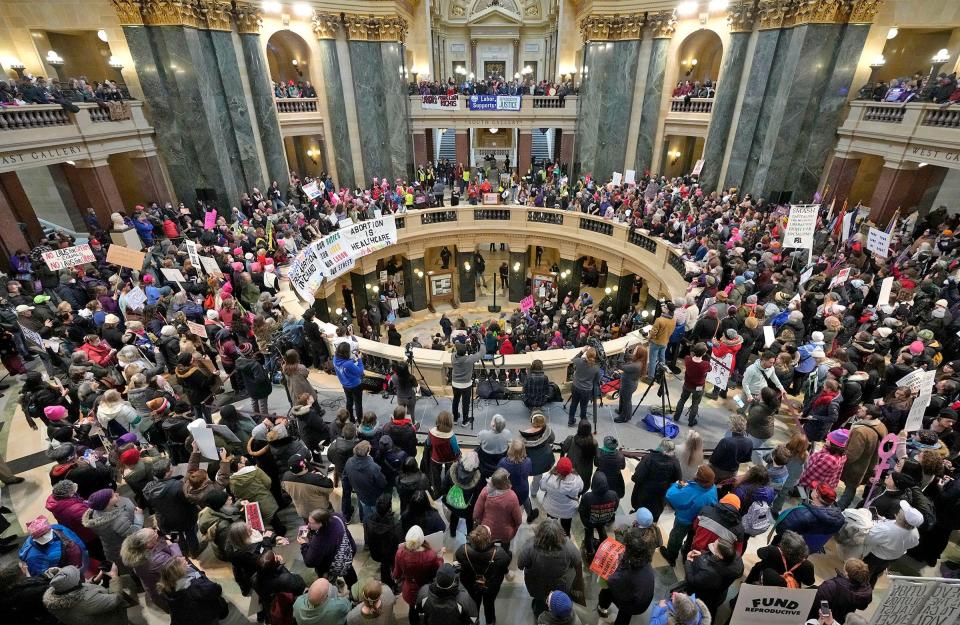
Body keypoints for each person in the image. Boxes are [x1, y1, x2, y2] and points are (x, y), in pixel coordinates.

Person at [517, 519, 582, 618]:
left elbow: (520, 565)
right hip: (560, 584)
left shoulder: (530, 546)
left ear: (539, 532)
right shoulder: (567, 546)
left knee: (539, 600)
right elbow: (578, 562)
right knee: (557, 601)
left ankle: (539, 613)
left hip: (536, 583)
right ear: (560, 533)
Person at [660, 465, 718, 568]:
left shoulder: (691, 491)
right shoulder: (712, 488)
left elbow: (671, 495)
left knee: (676, 538)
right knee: (692, 537)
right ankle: (686, 553)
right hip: (700, 521)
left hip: (684, 520)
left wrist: (676, 485)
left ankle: (671, 556)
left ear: (699, 478)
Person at [455, 525, 510, 625]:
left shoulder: (463, 550)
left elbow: (457, 559)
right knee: (489, 604)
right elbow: (506, 561)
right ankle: (490, 622)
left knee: (474, 604)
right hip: (491, 586)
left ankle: (474, 621)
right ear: (489, 538)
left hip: (471, 584)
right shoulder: (498, 553)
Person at [41, 565, 129, 625]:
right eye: (77, 576)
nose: (79, 576)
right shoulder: (87, 602)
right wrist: (114, 576)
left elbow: (80, 587)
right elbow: (115, 598)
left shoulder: (56, 597)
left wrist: (96, 579)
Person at [121, 527, 182, 611]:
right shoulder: (155, 560)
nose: (156, 533)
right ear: (148, 544)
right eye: (154, 534)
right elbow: (178, 564)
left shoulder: (135, 552)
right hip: (165, 593)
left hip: (152, 587)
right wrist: (173, 543)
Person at [862, 500, 923, 585]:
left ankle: (859, 590)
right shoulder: (914, 532)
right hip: (891, 557)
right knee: (875, 574)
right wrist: (883, 520)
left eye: (902, 511)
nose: (900, 510)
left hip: (876, 557)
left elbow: (867, 538)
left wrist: (870, 524)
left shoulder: (887, 531)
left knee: (864, 574)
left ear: (902, 519)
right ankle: (869, 587)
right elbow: (914, 543)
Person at [299, 508, 359, 593]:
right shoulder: (336, 517)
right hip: (347, 552)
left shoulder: (319, 540)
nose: (308, 525)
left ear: (321, 523)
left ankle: (333, 589)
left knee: (327, 579)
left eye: (312, 523)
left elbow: (310, 561)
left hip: (330, 564)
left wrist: (304, 545)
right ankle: (354, 590)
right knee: (348, 570)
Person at [81, 488, 143, 569]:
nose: (117, 494)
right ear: (106, 503)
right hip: (127, 550)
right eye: (113, 496)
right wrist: (139, 516)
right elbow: (134, 533)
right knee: (135, 568)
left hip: (112, 550)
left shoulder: (94, 514)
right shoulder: (117, 521)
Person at [392, 525, 442, 625]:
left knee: (412, 610)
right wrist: (440, 557)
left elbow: (396, 574)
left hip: (410, 591)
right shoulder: (431, 555)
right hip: (427, 589)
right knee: (427, 609)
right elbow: (439, 571)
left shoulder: (400, 553)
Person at [683, 538, 743, 619]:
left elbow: (692, 580)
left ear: (720, 556)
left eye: (714, 546)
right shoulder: (736, 558)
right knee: (711, 611)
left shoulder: (710, 572)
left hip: (703, 597)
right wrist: (702, 554)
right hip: (719, 594)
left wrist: (688, 561)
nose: (711, 544)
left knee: (700, 612)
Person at [158, 556, 225, 625]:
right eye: (182, 561)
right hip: (205, 618)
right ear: (179, 570)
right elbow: (217, 589)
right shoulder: (194, 587)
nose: (184, 557)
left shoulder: (168, 589)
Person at [630, 438, 682, 521]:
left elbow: (637, 477)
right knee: (655, 513)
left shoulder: (649, 458)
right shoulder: (674, 461)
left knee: (640, 513)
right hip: (660, 494)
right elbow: (677, 478)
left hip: (644, 493)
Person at [19, 515, 88, 577]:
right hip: (64, 577)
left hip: (76, 568)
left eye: (46, 535)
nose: (45, 539)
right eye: (41, 537)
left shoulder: (59, 528)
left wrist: (84, 555)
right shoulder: (33, 556)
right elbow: (42, 577)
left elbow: (77, 541)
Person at [809, 558, 873, 623]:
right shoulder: (864, 592)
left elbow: (820, 603)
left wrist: (826, 618)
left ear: (847, 573)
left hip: (823, 619)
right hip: (842, 619)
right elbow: (862, 606)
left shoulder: (831, 586)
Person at [473, 468, 523, 548]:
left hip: (487, 529)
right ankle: (505, 555)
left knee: (488, 545)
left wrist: (479, 522)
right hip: (505, 531)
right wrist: (515, 527)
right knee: (505, 545)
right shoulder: (512, 496)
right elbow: (518, 519)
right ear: (506, 482)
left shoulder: (485, 491)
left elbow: (476, 513)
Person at [343, 440, 387, 522]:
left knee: (365, 512)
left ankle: (365, 523)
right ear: (367, 453)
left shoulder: (349, 462)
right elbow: (382, 483)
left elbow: (345, 477)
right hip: (374, 497)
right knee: (375, 515)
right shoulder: (373, 467)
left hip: (360, 494)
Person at [442, 450, 482, 537]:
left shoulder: (452, 470)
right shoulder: (477, 478)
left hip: (453, 504)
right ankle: (469, 539)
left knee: (454, 517)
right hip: (467, 507)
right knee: (469, 522)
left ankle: (452, 533)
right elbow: (477, 496)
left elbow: (444, 486)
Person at [540, 457, 583, 535]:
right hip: (568, 510)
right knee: (566, 526)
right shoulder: (577, 479)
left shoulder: (549, 478)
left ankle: (552, 537)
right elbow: (581, 489)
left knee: (551, 525)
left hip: (551, 508)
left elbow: (542, 487)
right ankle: (565, 538)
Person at [673, 342, 712, 427]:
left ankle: (676, 417)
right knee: (695, 404)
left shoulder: (687, 359)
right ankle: (691, 421)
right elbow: (710, 369)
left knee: (682, 400)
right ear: (704, 353)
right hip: (698, 388)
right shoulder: (705, 364)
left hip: (687, 384)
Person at [426, 411, 461, 498]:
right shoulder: (451, 436)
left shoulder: (431, 433)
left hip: (436, 458)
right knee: (449, 473)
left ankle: (437, 492)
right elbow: (456, 450)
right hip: (449, 458)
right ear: (450, 422)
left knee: (435, 475)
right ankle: (447, 488)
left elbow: (428, 443)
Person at [709, 415, 753, 483]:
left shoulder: (725, 441)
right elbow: (746, 459)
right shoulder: (749, 442)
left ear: (732, 427)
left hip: (718, 471)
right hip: (733, 471)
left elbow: (713, 459)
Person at [450, 341, 485, 425]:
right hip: (465, 385)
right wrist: (481, 341)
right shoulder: (470, 359)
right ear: (465, 352)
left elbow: (455, 350)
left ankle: (455, 418)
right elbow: (482, 352)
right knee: (465, 403)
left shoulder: (453, 356)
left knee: (456, 400)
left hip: (455, 383)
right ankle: (465, 421)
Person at [560, 420, 596, 493]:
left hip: (571, 471)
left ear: (578, 429)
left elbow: (564, 449)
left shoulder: (571, 439)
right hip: (586, 474)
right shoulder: (594, 443)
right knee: (582, 489)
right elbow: (596, 460)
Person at [333, 341, 365, 422]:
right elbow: (360, 371)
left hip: (345, 384)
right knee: (358, 403)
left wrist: (353, 360)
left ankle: (351, 418)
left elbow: (346, 364)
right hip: (355, 385)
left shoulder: (335, 358)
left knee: (349, 401)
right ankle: (360, 420)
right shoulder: (347, 364)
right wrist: (360, 359)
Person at [568, 347, 599, 426]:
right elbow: (597, 381)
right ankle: (583, 422)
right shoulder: (596, 368)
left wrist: (582, 351)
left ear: (586, 354)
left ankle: (570, 421)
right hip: (586, 390)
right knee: (584, 406)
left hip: (576, 387)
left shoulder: (579, 361)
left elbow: (573, 359)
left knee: (573, 404)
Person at [613, 344, 644, 423]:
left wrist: (622, 354)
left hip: (629, 385)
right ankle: (621, 411)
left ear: (638, 353)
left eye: (635, 350)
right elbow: (629, 356)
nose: (634, 350)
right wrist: (626, 350)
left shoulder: (636, 365)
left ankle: (625, 417)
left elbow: (620, 366)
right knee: (622, 397)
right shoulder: (638, 359)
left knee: (627, 401)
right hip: (627, 383)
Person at [595, 434, 626, 500]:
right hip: (616, 480)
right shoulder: (620, 456)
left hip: (601, 478)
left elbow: (596, 464)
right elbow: (623, 467)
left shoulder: (599, 454)